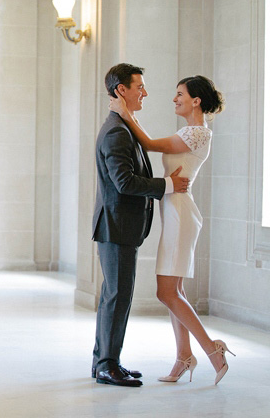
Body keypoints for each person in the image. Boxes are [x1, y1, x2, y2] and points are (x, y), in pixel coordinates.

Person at [109, 74, 235, 385]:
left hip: (180, 213)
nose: (175, 99)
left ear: (196, 100)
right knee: (173, 291)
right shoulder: (189, 131)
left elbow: (149, 144)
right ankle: (183, 357)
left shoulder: (197, 134)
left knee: (166, 292)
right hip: (175, 211)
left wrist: (126, 113)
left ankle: (212, 350)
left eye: (180, 94)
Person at [91, 63, 189, 387]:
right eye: (139, 87)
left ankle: (105, 362)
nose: (145, 92)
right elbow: (124, 182)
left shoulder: (123, 125)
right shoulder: (117, 131)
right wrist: (167, 185)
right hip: (117, 226)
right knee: (118, 297)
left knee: (114, 296)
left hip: (120, 226)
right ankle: (107, 365)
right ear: (122, 90)